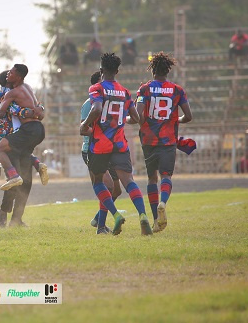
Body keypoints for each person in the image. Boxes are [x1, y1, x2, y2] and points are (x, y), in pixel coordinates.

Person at [80, 53, 153, 236]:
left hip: (100, 144)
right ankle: (143, 216)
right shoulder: (125, 92)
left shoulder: (97, 88)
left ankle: (115, 216)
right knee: (128, 181)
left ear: (101, 69)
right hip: (120, 144)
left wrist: (85, 124)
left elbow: (96, 109)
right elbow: (137, 118)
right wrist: (122, 118)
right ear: (118, 71)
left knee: (99, 182)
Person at [0, 65, 46, 227]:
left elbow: (27, 109)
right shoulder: (5, 94)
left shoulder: (20, 90)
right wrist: (34, 111)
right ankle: (4, 214)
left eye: (12, 72)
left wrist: (37, 110)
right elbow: (16, 111)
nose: (10, 74)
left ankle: (16, 219)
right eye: (8, 74)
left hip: (20, 137)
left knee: (23, 181)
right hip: (11, 141)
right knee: (16, 181)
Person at [136, 52, 192, 232]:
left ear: (153, 70)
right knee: (166, 176)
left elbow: (138, 116)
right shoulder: (177, 90)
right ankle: (163, 202)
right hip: (168, 141)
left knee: (152, 178)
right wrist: (176, 120)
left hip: (149, 140)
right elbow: (188, 116)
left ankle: (155, 220)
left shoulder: (144, 89)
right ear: (167, 70)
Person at [80, 71, 123, 234]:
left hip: (110, 149)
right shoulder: (89, 104)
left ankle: (98, 219)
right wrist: (104, 133)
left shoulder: (110, 102)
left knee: (117, 190)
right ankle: (101, 227)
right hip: (93, 150)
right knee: (108, 186)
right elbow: (83, 129)